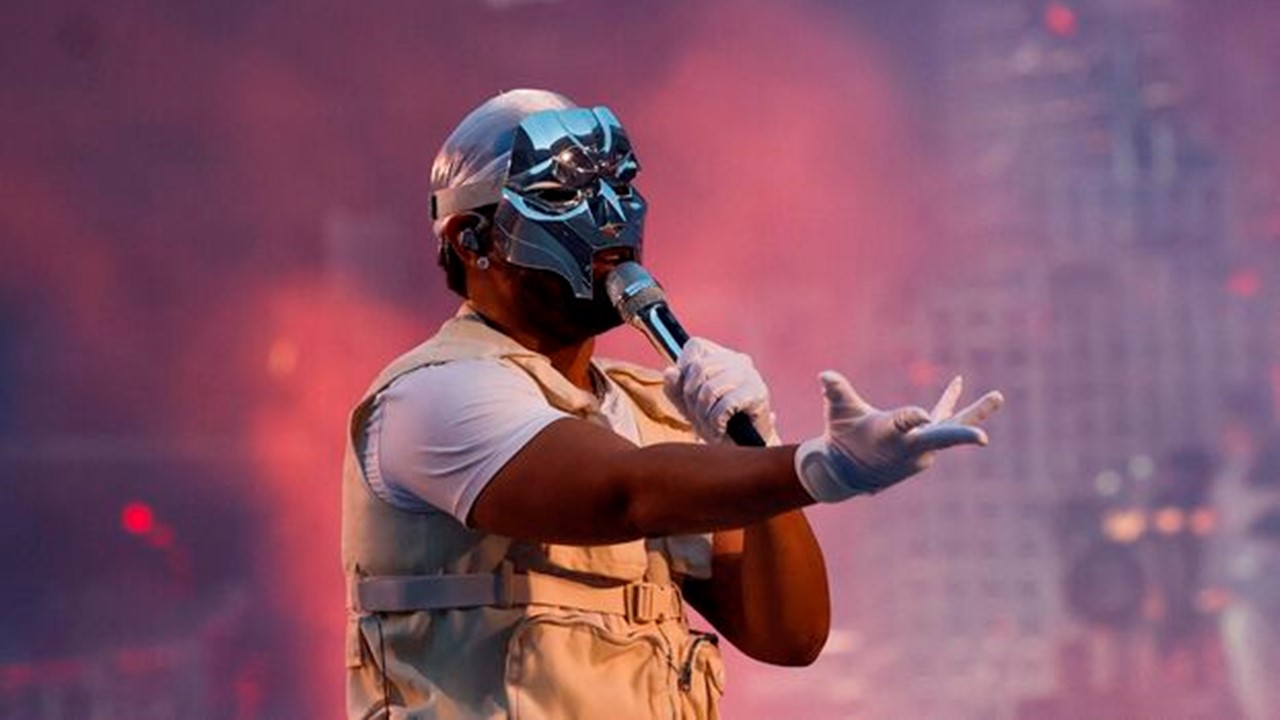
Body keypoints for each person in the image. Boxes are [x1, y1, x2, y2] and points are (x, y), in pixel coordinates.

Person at [341, 89, 1004, 720]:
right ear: (472, 239)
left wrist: (750, 440)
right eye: (560, 194)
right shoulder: (435, 394)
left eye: (621, 184)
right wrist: (818, 467)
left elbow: (789, 633)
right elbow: (623, 494)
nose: (608, 215)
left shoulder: (654, 411)